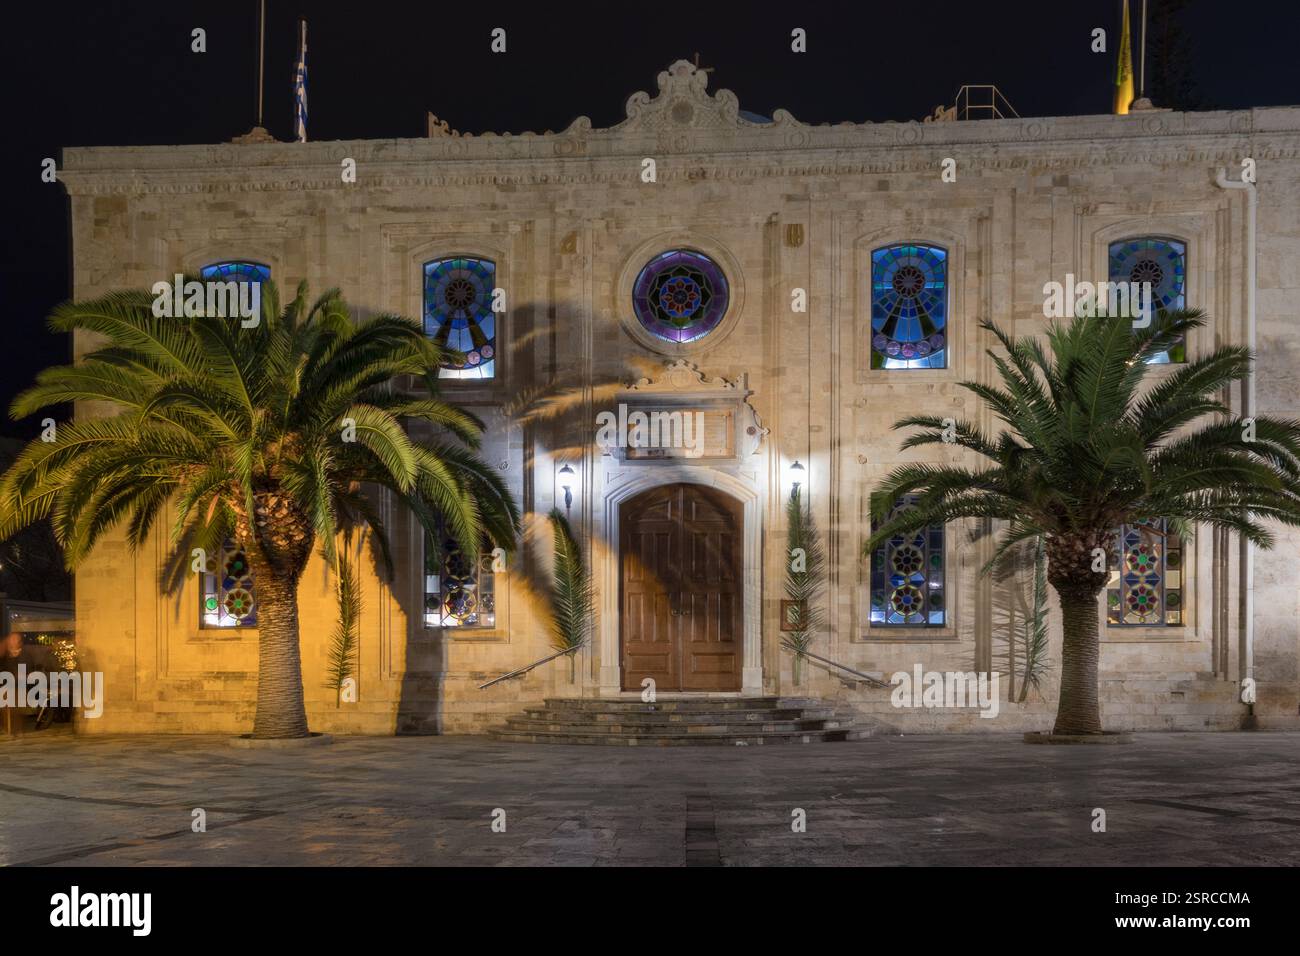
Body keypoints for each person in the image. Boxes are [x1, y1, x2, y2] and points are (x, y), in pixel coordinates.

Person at [1, 631, 59, 734]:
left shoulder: (26, 654)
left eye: (15, 640)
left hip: (24, 686)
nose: (13, 643)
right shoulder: (5, 656)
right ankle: (12, 727)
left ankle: (15, 728)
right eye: (11, 640)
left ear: (19, 642)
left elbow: (31, 670)